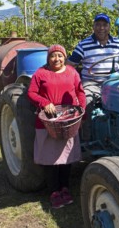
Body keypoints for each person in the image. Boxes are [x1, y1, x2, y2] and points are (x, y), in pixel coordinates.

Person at [27, 44, 86, 209]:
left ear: (65, 57)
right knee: (50, 158)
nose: (57, 59)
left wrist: (81, 108)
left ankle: (65, 188)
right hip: (48, 121)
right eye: (53, 56)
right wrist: (45, 103)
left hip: (67, 120)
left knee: (66, 157)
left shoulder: (72, 72)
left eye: (60, 55)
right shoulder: (41, 73)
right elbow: (31, 93)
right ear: (48, 58)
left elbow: (80, 92)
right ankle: (54, 191)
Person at [68, 13, 119, 142]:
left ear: (109, 27)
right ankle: (87, 138)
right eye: (98, 25)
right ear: (93, 26)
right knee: (86, 101)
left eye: (104, 25)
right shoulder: (84, 45)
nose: (101, 28)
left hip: (115, 83)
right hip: (92, 83)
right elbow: (71, 64)